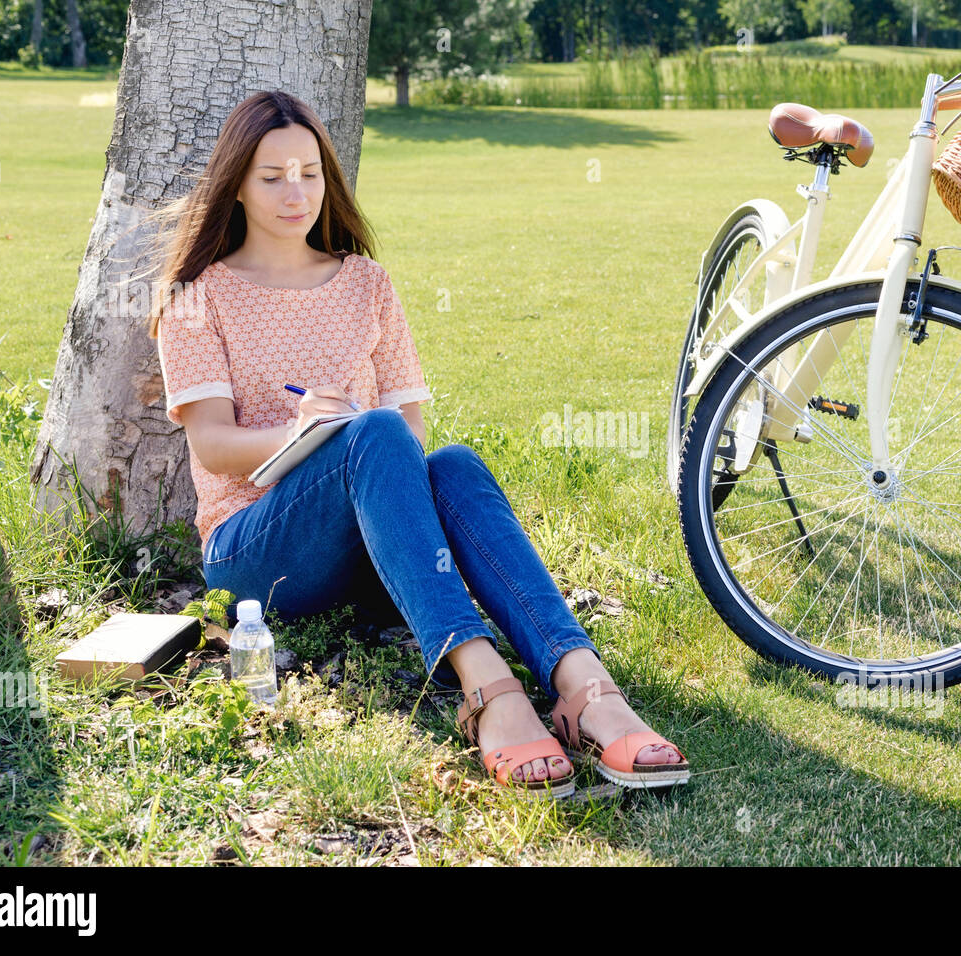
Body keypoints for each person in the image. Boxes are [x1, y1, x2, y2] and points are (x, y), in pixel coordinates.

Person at [145, 91, 688, 798]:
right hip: (255, 553)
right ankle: (488, 689)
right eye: (272, 175)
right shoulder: (200, 295)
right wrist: (306, 436)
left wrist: (359, 442)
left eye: (309, 172)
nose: (295, 192)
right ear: (238, 185)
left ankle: (585, 687)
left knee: (452, 464)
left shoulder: (367, 282)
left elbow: (413, 435)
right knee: (372, 430)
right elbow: (213, 447)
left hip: (377, 551)